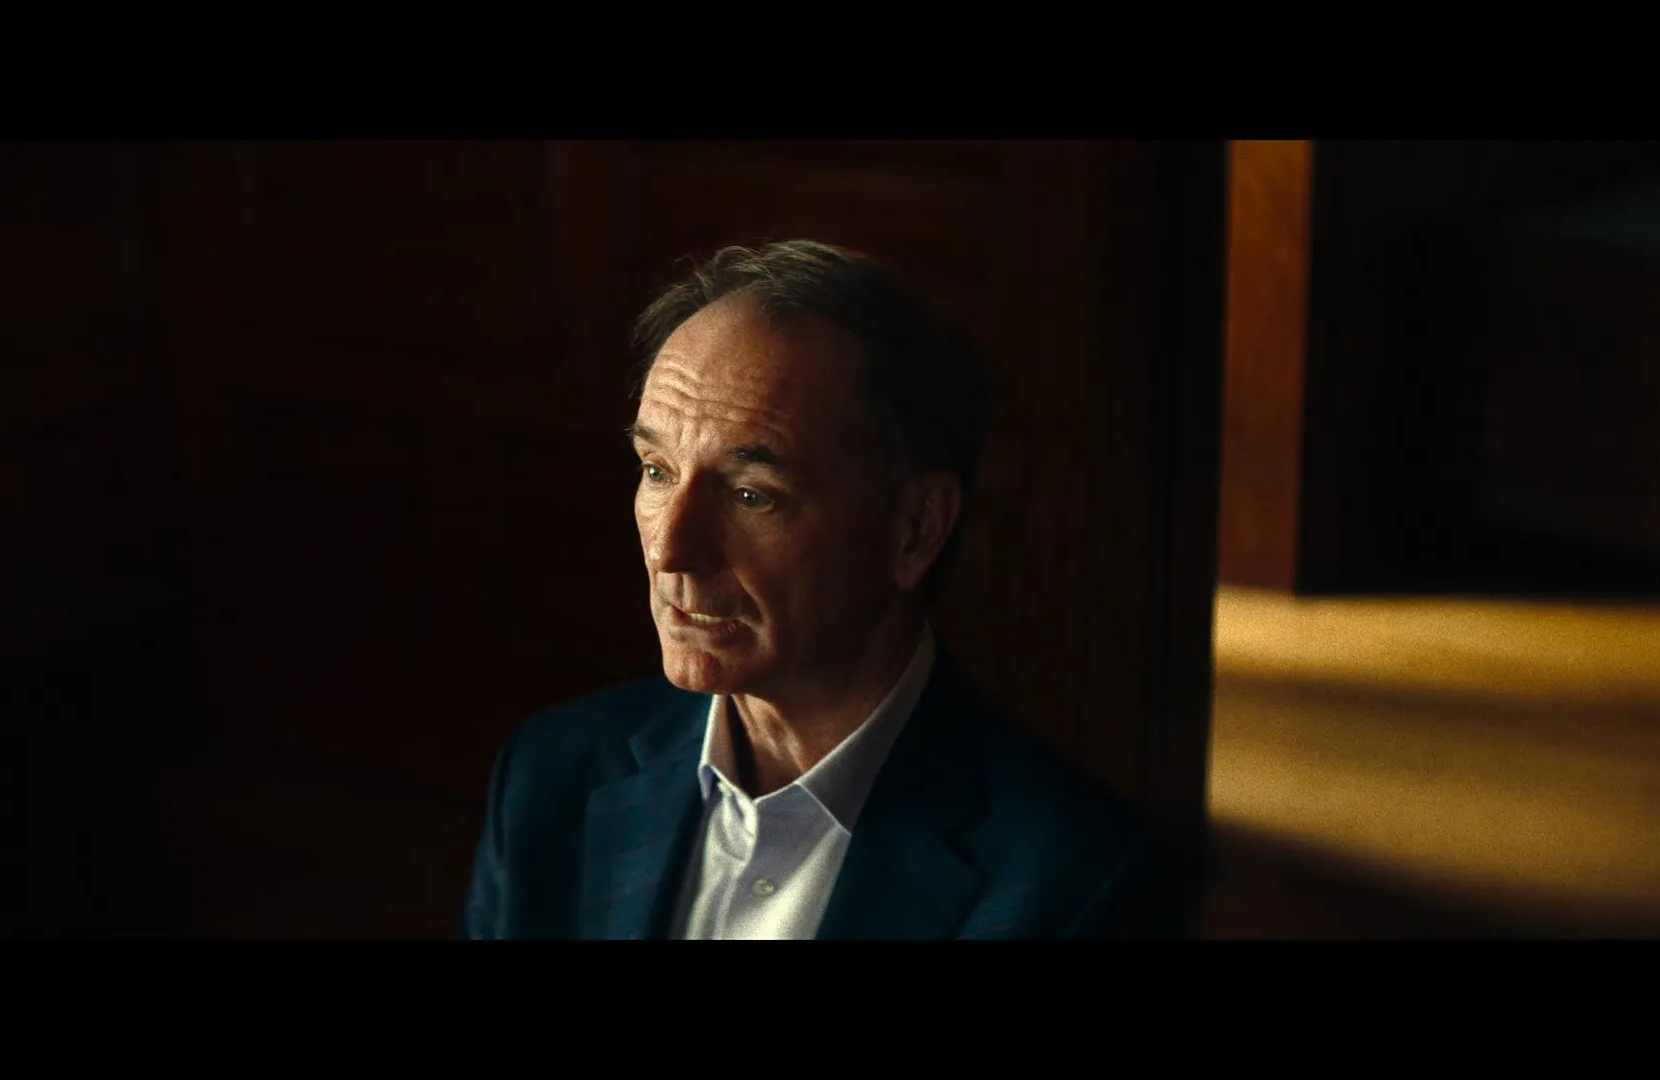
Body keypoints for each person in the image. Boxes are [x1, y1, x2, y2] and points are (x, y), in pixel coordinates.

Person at [461, 240, 1185, 939]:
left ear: (914, 530)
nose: (671, 550)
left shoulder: (1072, 882)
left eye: (751, 495)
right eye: (657, 471)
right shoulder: (552, 778)